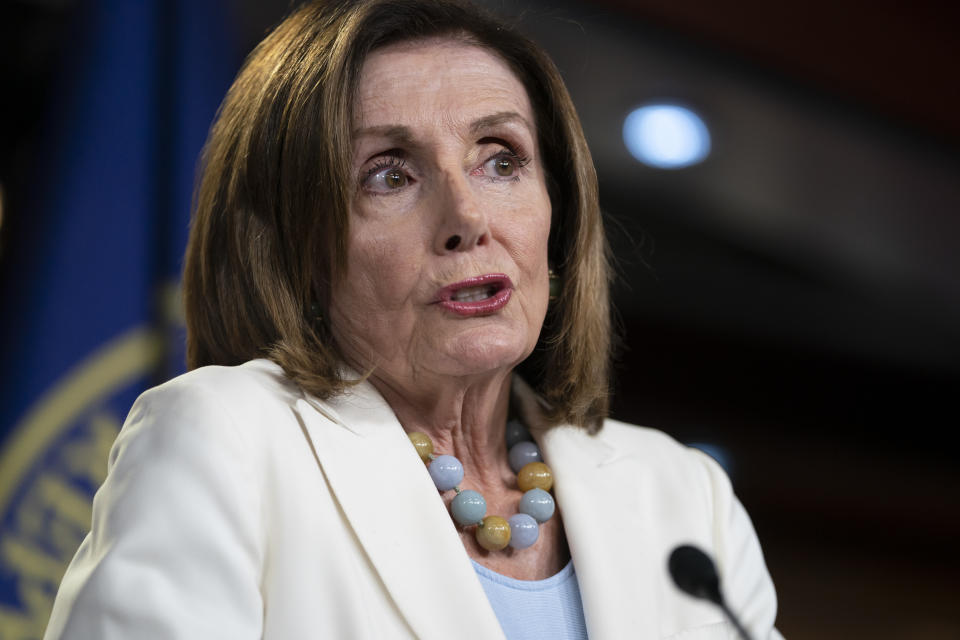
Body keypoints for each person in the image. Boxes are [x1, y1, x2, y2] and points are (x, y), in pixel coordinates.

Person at [44, 0, 783, 638]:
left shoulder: (684, 496)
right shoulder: (226, 443)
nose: (466, 217)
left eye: (500, 160)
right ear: (295, 247)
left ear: (556, 216)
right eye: (390, 174)